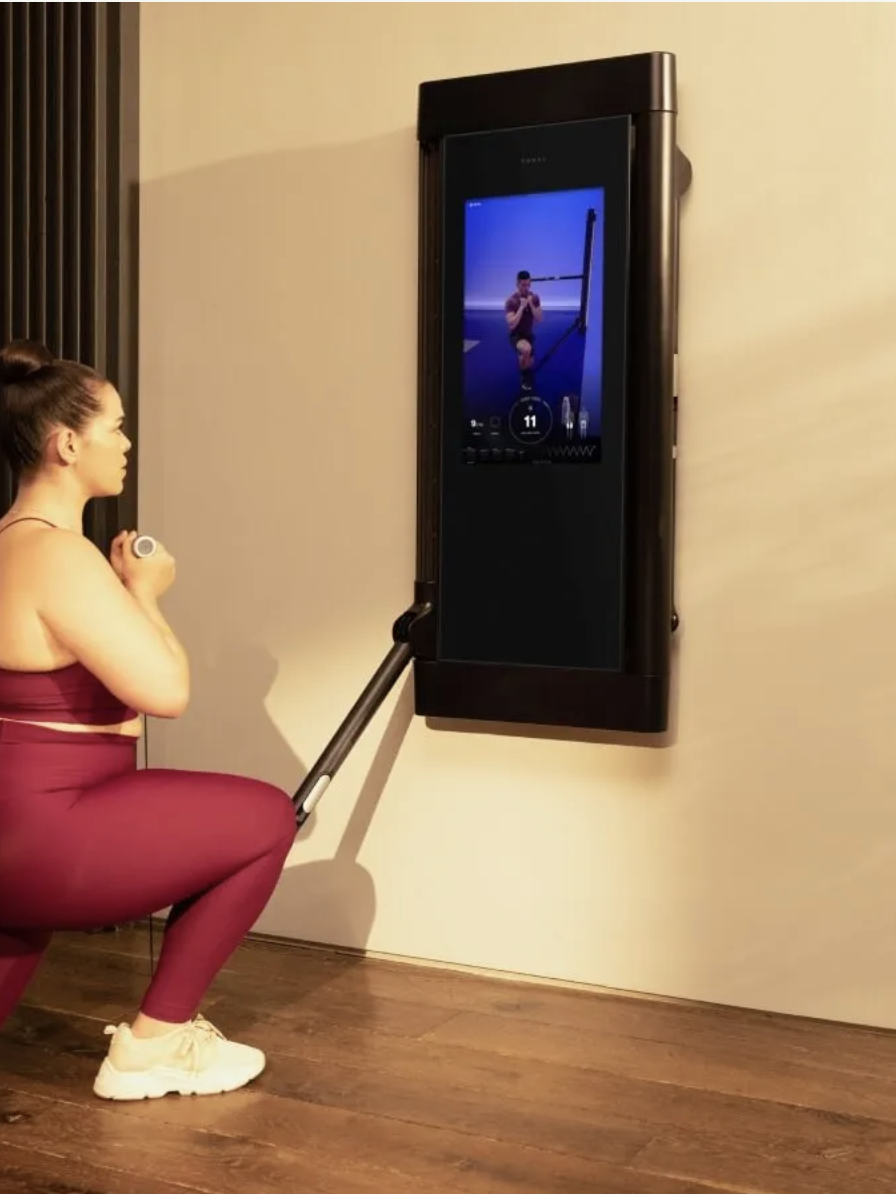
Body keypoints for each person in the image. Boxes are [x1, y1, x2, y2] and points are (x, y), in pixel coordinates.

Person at [0, 339, 297, 1101]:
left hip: (12, 836)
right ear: (68, 443)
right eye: (117, 426)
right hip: (51, 838)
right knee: (266, 817)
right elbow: (165, 690)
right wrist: (147, 593)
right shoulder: (61, 558)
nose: (128, 444)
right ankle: (151, 1049)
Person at [504, 269, 543, 390]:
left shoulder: (535, 298)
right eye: (523, 285)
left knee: (529, 362)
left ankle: (523, 362)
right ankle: (524, 376)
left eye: (528, 285)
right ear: (517, 284)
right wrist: (521, 307)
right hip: (516, 335)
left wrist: (530, 304)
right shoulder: (511, 301)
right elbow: (512, 325)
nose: (526, 288)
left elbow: (539, 318)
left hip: (528, 335)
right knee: (526, 350)